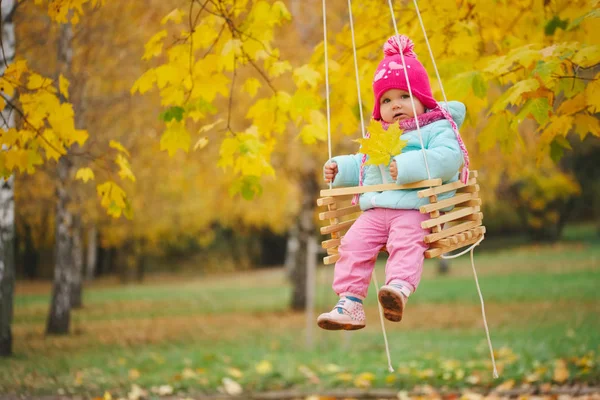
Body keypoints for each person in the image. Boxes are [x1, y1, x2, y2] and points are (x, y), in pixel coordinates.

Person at [317, 34, 470, 331]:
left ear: (422, 100)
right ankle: (349, 303)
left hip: (414, 207)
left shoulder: (437, 128)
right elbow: (364, 165)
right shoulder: (380, 136)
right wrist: (339, 167)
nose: (395, 105)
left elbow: (449, 157)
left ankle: (398, 288)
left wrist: (408, 165)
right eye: (386, 100)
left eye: (404, 97)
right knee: (352, 244)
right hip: (376, 209)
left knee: (406, 241)